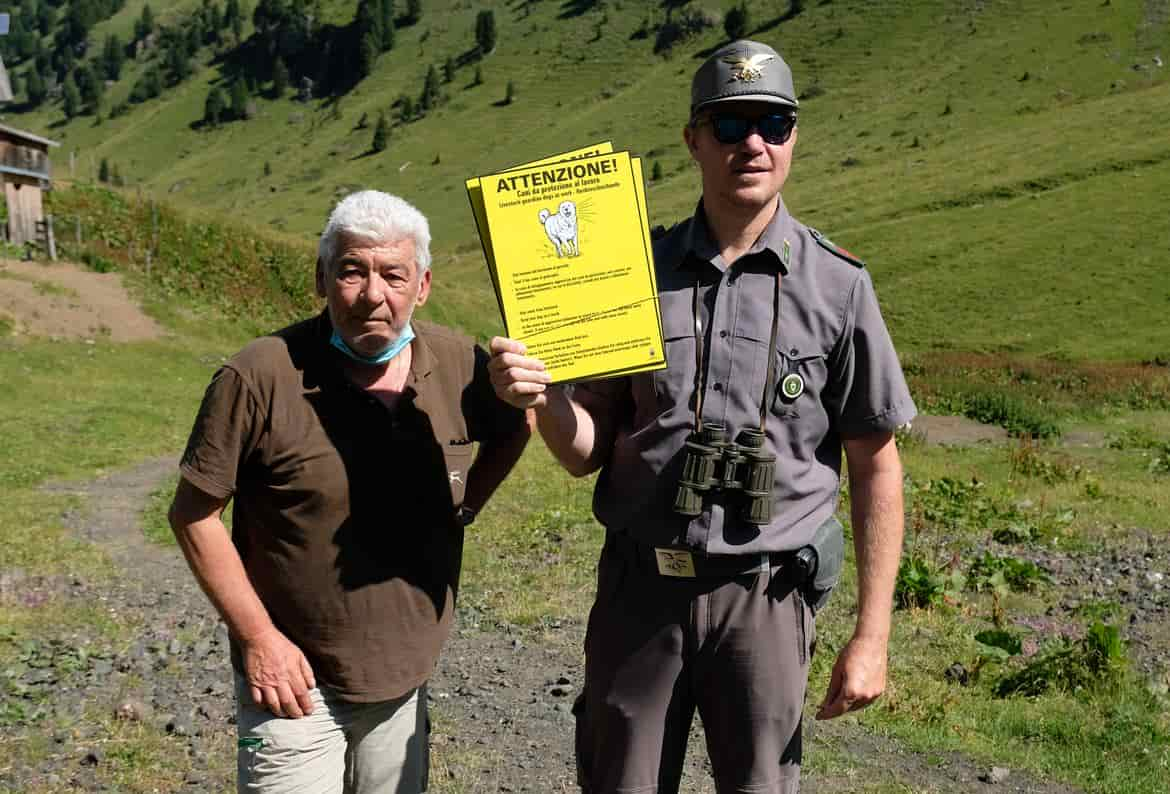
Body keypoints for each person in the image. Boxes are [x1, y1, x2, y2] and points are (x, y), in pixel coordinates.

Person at [487, 40, 916, 793]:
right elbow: (586, 448)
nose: (753, 143)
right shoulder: (630, 274)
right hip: (640, 594)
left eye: (774, 125)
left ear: (793, 139)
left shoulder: (838, 286)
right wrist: (544, 397)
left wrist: (872, 635)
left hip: (768, 602)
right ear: (693, 139)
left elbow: (875, 463)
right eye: (730, 125)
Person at [169, 190, 529, 793]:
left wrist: (463, 506)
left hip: (404, 673)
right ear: (321, 277)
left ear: (423, 285)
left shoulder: (461, 365)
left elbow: (516, 424)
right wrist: (259, 640)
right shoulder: (259, 374)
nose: (373, 295)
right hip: (293, 681)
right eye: (352, 271)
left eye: (394, 274)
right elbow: (193, 515)